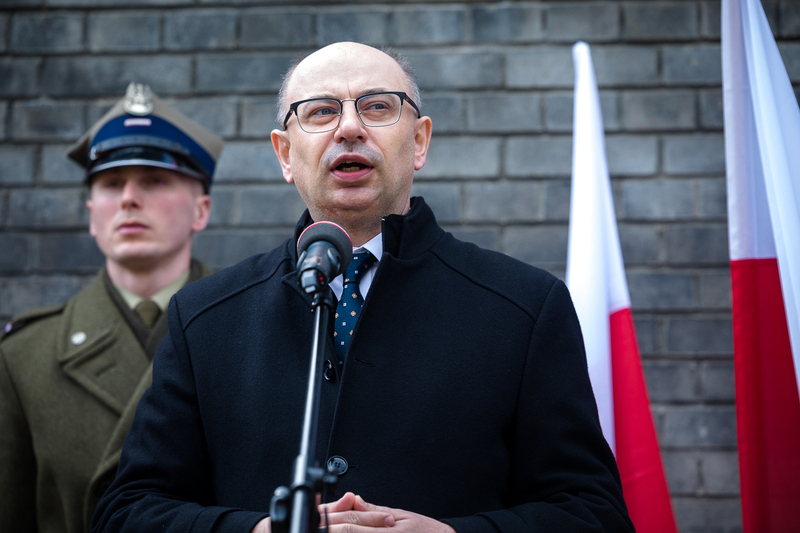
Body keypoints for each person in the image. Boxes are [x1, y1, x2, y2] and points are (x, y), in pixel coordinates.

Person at [92, 43, 634, 533]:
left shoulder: (524, 307)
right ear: (285, 154)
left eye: (377, 106)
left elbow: (594, 512)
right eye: (322, 111)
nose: (349, 128)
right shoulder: (205, 317)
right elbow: (127, 511)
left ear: (419, 140)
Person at [0, 82, 224, 533]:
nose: (128, 198)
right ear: (91, 214)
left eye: (154, 180)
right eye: (110, 183)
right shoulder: (24, 355)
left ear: (201, 211)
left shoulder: (252, 330)